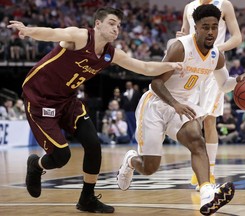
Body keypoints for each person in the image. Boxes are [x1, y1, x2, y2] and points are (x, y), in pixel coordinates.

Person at [7, 7, 181, 214]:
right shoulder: (80, 37)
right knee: (61, 156)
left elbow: (143, 67)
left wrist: (172, 65)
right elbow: (52, 33)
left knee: (93, 145)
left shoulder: (111, 54)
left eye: (119, 25)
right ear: (97, 24)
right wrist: (28, 30)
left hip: (67, 100)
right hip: (40, 97)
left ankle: (87, 198)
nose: (116, 28)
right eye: (112, 23)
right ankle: (37, 165)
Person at [117, 4, 245, 215]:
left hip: (182, 106)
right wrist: (174, 104)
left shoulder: (217, 56)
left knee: (197, 141)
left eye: (214, 27)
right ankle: (130, 160)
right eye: (206, 27)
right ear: (196, 27)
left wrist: (238, 80)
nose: (211, 32)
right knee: (149, 167)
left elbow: (224, 84)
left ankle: (207, 193)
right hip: (156, 105)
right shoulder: (180, 47)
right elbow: (156, 84)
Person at [176, 0, 242, 188]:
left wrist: (216, 49)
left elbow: (237, 37)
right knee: (191, 120)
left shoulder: (224, 5)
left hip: (213, 66)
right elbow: (183, 33)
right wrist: (180, 38)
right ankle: (199, 169)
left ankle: (209, 173)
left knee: (210, 119)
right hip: (190, 68)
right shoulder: (189, 7)